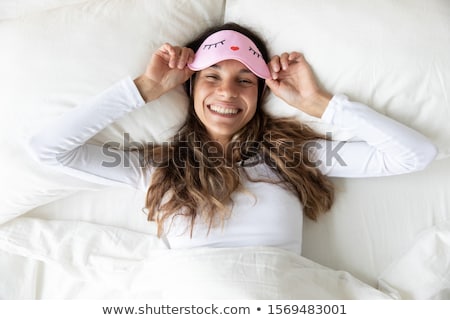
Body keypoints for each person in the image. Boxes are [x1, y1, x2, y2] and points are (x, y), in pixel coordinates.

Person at [29, 23, 437, 254]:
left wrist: (319, 102)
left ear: (261, 94)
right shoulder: (155, 167)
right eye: (212, 77)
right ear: (190, 88)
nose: (227, 92)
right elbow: (47, 148)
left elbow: (416, 154)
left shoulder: (294, 156)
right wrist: (145, 88)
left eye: (244, 80)